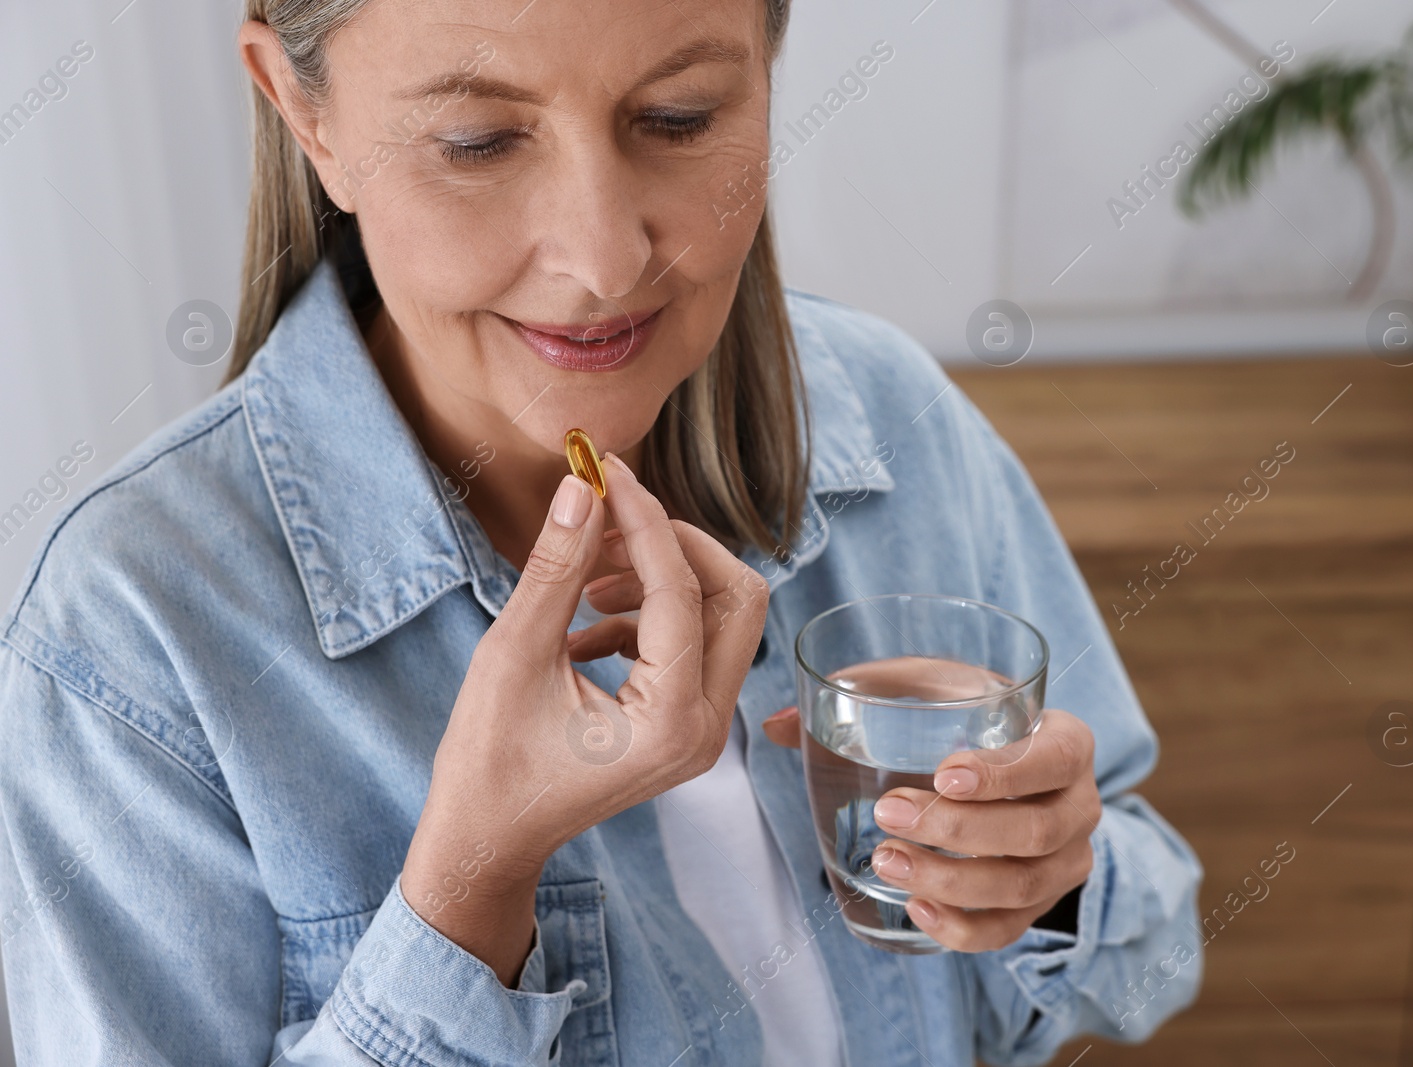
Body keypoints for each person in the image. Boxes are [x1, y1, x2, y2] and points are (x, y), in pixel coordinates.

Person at [0, 0, 1203, 1063]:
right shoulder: (126, 643)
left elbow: (1151, 960)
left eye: (679, 118)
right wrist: (471, 884)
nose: (603, 255)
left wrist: (1050, 882)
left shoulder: (891, 417)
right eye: (478, 140)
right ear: (304, 113)